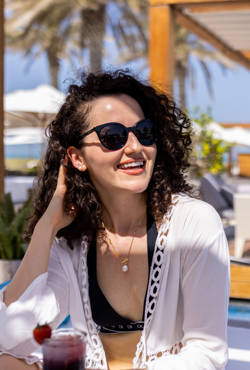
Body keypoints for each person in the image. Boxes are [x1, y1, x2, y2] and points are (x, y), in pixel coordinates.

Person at [0, 70, 230, 370]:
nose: (135, 147)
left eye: (144, 132)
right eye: (113, 137)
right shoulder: (73, 242)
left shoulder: (193, 223)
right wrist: (47, 227)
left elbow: (207, 353)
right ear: (77, 158)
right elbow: (12, 338)